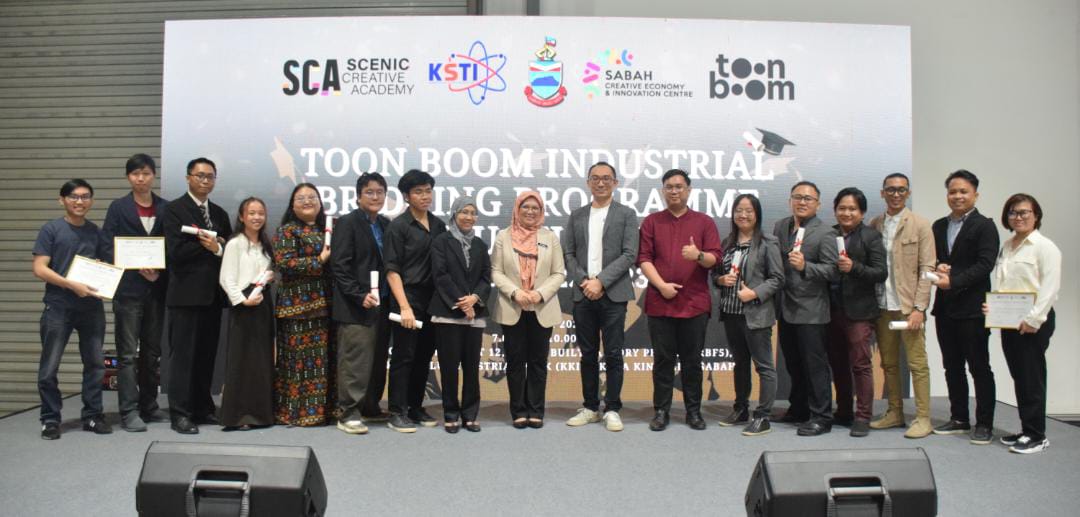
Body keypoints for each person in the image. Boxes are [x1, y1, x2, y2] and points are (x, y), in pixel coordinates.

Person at [637, 169, 721, 431]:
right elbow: (644, 258)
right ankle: (661, 411)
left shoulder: (704, 222)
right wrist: (661, 286)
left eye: (679, 186)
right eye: (669, 187)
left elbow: (715, 259)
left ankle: (693, 411)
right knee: (663, 360)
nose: (674, 191)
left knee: (692, 361)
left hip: (694, 303)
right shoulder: (652, 221)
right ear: (663, 191)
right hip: (660, 301)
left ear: (689, 190)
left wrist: (698, 255)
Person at [562, 162, 638, 432]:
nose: (601, 183)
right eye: (595, 178)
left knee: (614, 353)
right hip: (583, 293)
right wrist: (585, 281)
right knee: (588, 354)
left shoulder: (626, 214)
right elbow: (568, 253)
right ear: (588, 183)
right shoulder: (577, 215)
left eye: (606, 178)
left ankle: (613, 408)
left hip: (613, 294)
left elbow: (629, 254)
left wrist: (601, 282)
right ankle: (591, 407)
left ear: (615, 183)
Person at [32, 179, 110, 439]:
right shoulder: (51, 229)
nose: (80, 201)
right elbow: (39, 268)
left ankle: (92, 416)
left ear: (91, 201)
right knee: (49, 368)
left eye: (85, 197)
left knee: (95, 365)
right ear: (62, 200)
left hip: (91, 308)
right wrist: (70, 284)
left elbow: (104, 266)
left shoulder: (96, 232)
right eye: (74, 197)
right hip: (58, 307)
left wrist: (102, 275)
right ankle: (50, 419)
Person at [162, 158, 232, 434]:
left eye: (210, 176)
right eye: (200, 175)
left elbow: (228, 248)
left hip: (213, 296)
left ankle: (202, 407)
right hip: (185, 296)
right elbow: (175, 252)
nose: (205, 180)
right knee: (183, 358)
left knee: (206, 355)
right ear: (188, 177)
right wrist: (207, 245)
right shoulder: (174, 210)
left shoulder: (219, 213)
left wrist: (216, 248)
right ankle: (180, 413)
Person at [929, 169, 998, 445]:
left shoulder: (985, 226)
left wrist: (954, 280)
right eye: (952, 191)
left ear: (975, 195)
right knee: (952, 366)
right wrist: (939, 267)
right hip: (945, 308)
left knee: (979, 367)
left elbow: (985, 264)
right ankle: (959, 418)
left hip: (973, 308)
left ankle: (984, 423)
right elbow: (935, 259)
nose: (957, 196)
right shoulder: (938, 226)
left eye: (963, 191)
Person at [100, 154, 169, 432]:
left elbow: (171, 247)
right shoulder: (118, 208)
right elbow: (107, 246)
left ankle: (149, 406)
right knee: (128, 354)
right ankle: (128, 411)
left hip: (157, 289)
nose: (141, 178)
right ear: (128, 177)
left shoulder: (165, 208)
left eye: (146, 173)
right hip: (128, 290)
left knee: (152, 352)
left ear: (154, 175)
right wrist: (135, 264)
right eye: (135, 174)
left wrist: (159, 271)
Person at [987, 194, 1060, 454]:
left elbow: (1050, 289)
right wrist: (993, 308)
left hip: (1033, 322)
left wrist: (1033, 319)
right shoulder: (1008, 246)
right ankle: (1027, 429)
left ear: (1036, 215)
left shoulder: (1045, 247)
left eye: (1024, 212)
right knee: (1020, 376)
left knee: (1032, 377)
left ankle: (1037, 435)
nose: (1018, 217)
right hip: (1010, 322)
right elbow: (1006, 285)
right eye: (1013, 212)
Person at [869, 173, 936, 439]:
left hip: (909, 308)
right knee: (889, 363)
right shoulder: (875, 224)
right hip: (882, 306)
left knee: (917, 364)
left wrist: (920, 308)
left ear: (908, 193)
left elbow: (928, 269)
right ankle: (894, 412)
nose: (896, 194)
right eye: (891, 190)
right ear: (882, 193)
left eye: (901, 190)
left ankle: (923, 418)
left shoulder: (920, 225)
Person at [491, 191, 566, 429]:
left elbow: (559, 273)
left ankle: (535, 410)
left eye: (535, 208)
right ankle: (518, 410)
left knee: (537, 362)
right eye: (526, 207)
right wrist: (515, 292)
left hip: (541, 307)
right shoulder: (503, 236)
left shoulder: (550, 237)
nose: (530, 212)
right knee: (515, 362)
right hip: (512, 306)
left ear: (541, 211)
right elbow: (496, 271)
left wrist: (539, 293)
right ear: (517, 209)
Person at [713, 194, 783, 436]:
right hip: (731, 313)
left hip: (756, 314)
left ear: (757, 214)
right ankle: (740, 408)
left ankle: (763, 416)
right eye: (738, 210)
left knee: (764, 366)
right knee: (740, 363)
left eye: (748, 211)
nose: (743, 215)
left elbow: (777, 279)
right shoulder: (727, 243)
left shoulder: (768, 242)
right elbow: (716, 275)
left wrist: (754, 293)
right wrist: (720, 280)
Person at [773, 181, 839, 436]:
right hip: (785, 307)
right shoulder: (781, 226)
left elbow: (832, 271)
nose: (802, 202)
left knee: (815, 366)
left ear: (818, 204)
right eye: (797, 197)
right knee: (793, 364)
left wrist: (805, 267)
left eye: (808, 198)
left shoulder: (826, 233)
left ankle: (822, 416)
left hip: (812, 310)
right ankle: (799, 408)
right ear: (790, 200)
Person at [384, 169, 447, 432]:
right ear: (407, 196)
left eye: (428, 191)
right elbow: (392, 270)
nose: (425, 196)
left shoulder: (439, 225)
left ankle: (415, 407)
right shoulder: (398, 227)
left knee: (424, 356)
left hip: (433, 301)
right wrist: (404, 306)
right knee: (404, 357)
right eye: (418, 192)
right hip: (407, 299)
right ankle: (397, 412)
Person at [331, 173, 392, 435]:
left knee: (377, 359)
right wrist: (358, 295)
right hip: (355, 306)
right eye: (369, 192)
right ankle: (348, 413)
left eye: (380, 192)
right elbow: (340, 266)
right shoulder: (348, 223)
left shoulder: (386, 224)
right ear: (358, 196)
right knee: (355, 360)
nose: (375, 196)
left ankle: (369, 406)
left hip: (383, 304)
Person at [826, 188, 887, 437]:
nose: (847, 213)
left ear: (862, 212)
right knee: (837, 363)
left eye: (852, 209)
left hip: (859, 312)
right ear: (835, 210)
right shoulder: (829, 234)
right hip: (831, 309)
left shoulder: (871, 236)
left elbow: (880, 272)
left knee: (860, 364)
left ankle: (863, 416)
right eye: (842, 208)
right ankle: (843, 411)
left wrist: (854, 267)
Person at [273, 183, 334, 427]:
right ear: (292, 205)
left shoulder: (327, 229)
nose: (307, 201)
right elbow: (284, 264)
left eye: (312, 197)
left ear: (320, 202)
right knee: (297, 362)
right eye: (301, 198)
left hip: (325, 306)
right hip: (296, 309)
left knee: (323, 362)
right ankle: (294, 413)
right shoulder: (287, 231)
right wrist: (319, 260)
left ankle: (322, 412)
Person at [429, 197, 492, 433]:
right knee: (449, 367)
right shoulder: (441, 241)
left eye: (473, 213)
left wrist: (474, 298)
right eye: (464, 212)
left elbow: (486, 277)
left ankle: (470, 414)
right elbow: (441, 275)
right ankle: (451, 413)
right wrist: (463, 303)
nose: (468, 217)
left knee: (471, 367)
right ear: (454, 215)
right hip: (448, 313)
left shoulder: (480, 245)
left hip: (474, 314)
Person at [218, 197, 275, 430]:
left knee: (261, 360)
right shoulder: (235, 244)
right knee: (241, 361)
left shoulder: (265, 244)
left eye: (260, 213)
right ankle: (238, 416)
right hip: (243, 305)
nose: (256, 217)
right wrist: (243, 301)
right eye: (251, 213)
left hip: (262, 303)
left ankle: (261, 415)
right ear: (242, 217)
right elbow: (226, 279)